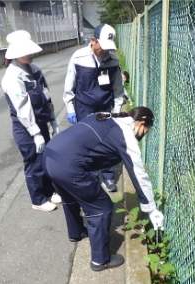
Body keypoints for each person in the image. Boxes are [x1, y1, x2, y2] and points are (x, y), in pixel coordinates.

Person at [42, 106, 164, 271]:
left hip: (50, 155)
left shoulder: (106, 117)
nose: (143, 136)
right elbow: (138, 173)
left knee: (71, 196)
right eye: (145, 131)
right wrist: (150, 209)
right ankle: (100, 260)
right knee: (101, 206)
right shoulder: (126, 135)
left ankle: (76, 232)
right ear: (141, 124)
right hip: (67, 165)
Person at [1, 30, 62, 212]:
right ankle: (38, 199)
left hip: (41, 122)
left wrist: (53, 120)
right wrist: (35, 133)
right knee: (34, 162)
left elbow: (46, 95)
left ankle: (50, 191)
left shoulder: (35, 71)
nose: (31, 55)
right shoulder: (12, 77)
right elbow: (23, 108)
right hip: (25, 129)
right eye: (26, 52)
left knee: (46, 159)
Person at [63, 23, 126, 193]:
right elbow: (70, 85)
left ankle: (108, 176)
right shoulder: (78, 57)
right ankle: (90, 177)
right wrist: (70, 108)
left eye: (109, 48)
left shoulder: (112, 61)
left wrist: (117, 110)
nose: (105, 52)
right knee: (86, 144)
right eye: (103, 47)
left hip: (105, 108)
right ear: (93, 41)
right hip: (83, 108)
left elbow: (118, 90)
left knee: (107, 143)